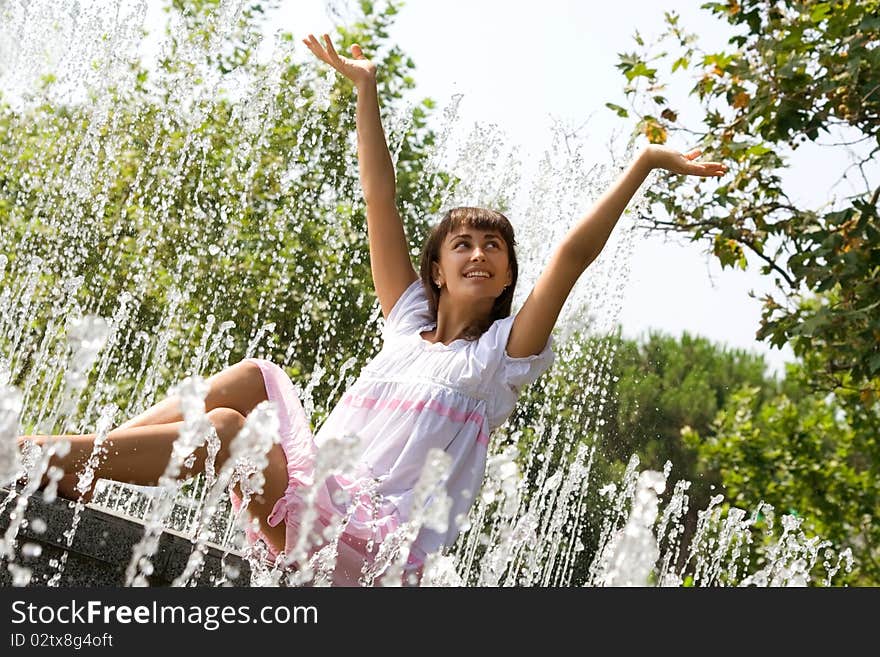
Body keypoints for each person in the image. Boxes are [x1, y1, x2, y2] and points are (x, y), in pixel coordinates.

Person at [15, 33, 726, 586]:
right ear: (437, 272)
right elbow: (378, 199)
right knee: (253, 373)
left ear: (509, 272)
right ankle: (83, 457)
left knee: (231, 428)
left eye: (495, 247)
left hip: (362, 546)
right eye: (463, 244)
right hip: (311, 492)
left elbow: (571, 257)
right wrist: (365, 91)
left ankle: (47, 457)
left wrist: (643, 165)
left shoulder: (497, 360)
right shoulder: (406, 326)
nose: (480, 254)